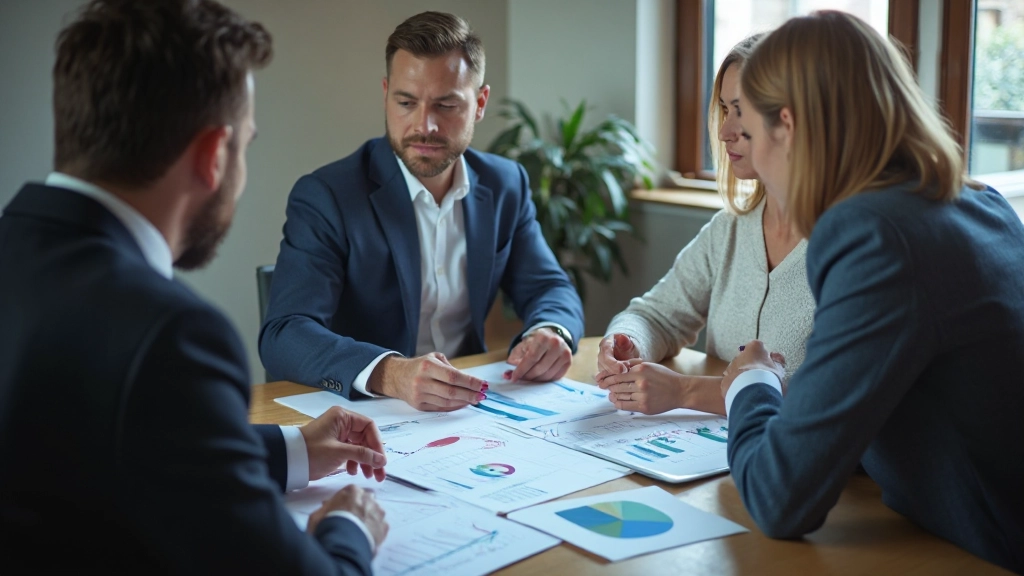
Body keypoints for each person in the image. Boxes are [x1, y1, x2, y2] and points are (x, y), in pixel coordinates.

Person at [0, 1, 390, 573]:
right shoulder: (170, 336)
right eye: (246, 144)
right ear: (213, 155)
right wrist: (350, 528)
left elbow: (92, 441)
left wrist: (294, 449)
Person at [719, 11, 1024, 573]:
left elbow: (779, 499)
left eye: (755, 132)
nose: (755, 156)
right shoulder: (981, 204)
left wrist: (750, 382)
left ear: (786, 126)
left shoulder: (874, 236)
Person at [259, 11, 584, 411]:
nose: (424, 125)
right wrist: (391, 373)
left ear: (480, 103)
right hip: (362, 415)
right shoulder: (327, 196)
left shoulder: (505, 184)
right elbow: (285, 334)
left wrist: (551, 332)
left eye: (446, 104)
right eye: (406, 102)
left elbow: (549, 287)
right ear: (385, 94)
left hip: (471, 410)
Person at [594, 34, 814, 416]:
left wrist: (685, 391)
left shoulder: (849, 244)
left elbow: (830, 395)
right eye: (725, 109)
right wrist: (627, 340)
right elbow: (657, 314)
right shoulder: (729, 230)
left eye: (741, 111)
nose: (725, 130)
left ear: (790, 120)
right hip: (719, 456)